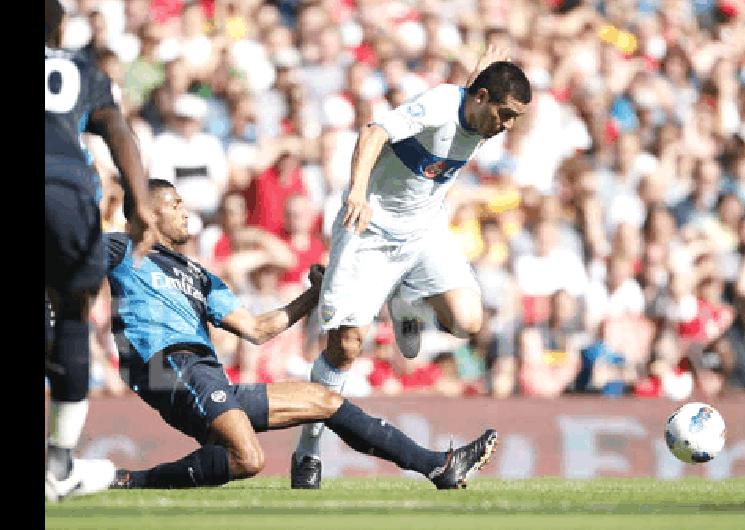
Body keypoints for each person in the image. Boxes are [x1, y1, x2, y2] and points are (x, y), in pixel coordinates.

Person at [107, 180, 497, 491]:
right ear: (147, 211)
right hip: (168, 365)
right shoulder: (123, 248)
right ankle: (133, 481)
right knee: (248, 458)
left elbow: (258, 329)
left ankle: (437, 467)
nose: (184, 211)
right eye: (174, 204)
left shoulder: (199, 276)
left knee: (323, 399)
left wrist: (314, 294)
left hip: (206, 375)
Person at [291, 46, 530, 489]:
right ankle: (308, 450)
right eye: (505, 114)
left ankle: (402, 299)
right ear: (480, 98)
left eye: (514, 117)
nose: (508, 126)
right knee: (344, 348)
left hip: (422, 233)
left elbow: (471, 103)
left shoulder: (481, 119)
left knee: (466, 320)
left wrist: (483, 71)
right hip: (369, 228)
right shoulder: (441, 105)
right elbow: (373, 133)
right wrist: (357, 192)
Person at [45, 0, 154, 501]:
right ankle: (59, 461)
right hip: (67, 193)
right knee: (74, 311)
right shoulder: (79, 69)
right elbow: (115, 127)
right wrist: (140, 202)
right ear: (60, 26)